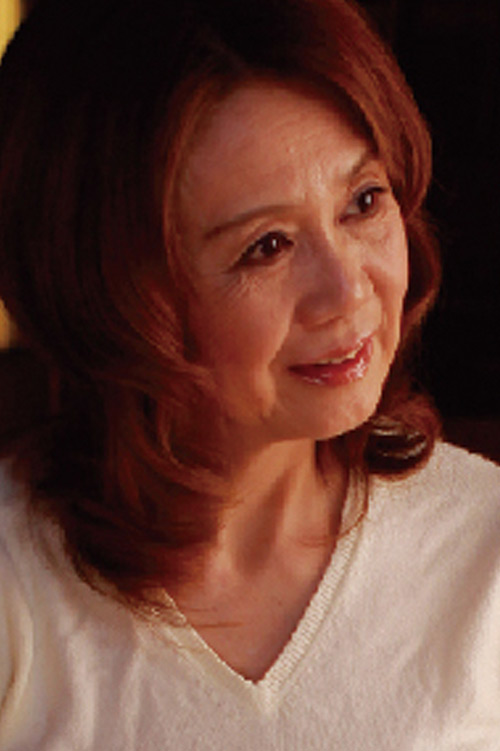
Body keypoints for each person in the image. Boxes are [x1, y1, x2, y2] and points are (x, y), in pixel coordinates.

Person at [0, 0, 499, 748]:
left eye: (363, 202)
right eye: (266, 246)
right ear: (110, 297)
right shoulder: (17, 585)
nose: (348, 292)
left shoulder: (483, 550)